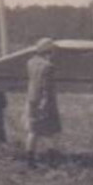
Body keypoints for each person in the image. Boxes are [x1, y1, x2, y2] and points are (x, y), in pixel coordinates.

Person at [22, 38, 61, 167]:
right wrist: (45, 104)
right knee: (49, 132)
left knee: (33, 131)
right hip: (45, 101)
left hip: (32, 100)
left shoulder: (30, 62)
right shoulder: (48, 66)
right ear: (49, 51)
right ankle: (52, 160)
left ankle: (30, 160)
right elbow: (46, 88)